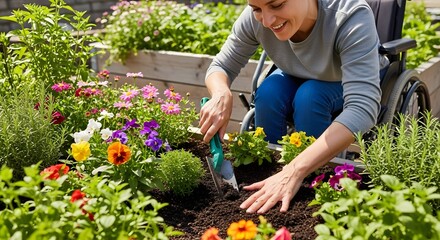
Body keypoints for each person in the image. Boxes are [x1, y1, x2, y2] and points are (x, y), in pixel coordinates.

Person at [199, 0, 386, 214]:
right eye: (257, 9)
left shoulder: (349, 15)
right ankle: (268, 177)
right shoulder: (257, 16)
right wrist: (221, 94)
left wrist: (295, 170)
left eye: (277, 5)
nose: (267, 21)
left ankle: (313, 178)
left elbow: (363, 107)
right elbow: (221, 65)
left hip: (341, 77)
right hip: (295, 72)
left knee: (310, 97)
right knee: (268, 92)